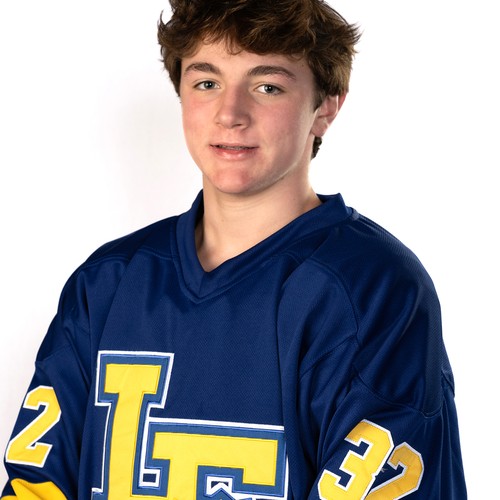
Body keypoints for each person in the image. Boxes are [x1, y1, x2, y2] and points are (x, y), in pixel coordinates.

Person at [2, 0, 467, 498]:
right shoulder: (107, 282)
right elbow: (35, 485)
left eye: (268, 87)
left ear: (326, 106)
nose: (230, 114)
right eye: (207, 83)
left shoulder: (374, 291)